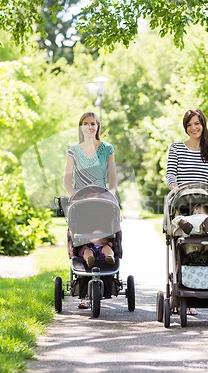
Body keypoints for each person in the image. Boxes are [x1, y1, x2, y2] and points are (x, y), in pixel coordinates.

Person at [166, 109, 208, 315]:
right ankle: (187, 221)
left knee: (204, 210)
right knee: (186, 222)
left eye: (197, 123)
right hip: (182, 199)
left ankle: (206, 221)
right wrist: (180, 190)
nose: (193, 128)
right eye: (189, 125)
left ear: (203, 124)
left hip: (204, 199)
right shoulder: (176, 148)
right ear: (185, 127)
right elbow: (170, 176)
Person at [63, 111, 117, 309]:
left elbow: (112, 177)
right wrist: (74, 196)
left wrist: (110, 193)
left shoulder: (107, 148)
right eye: (86, 124)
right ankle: (84, 293)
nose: (90, 127)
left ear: (98, 126)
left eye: (93, 123)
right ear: (81, 127)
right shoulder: (73, 150)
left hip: (102, 199)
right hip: (82, 202)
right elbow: (67, 179)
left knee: (106, 236)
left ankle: (108, 266)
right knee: (82, 239)